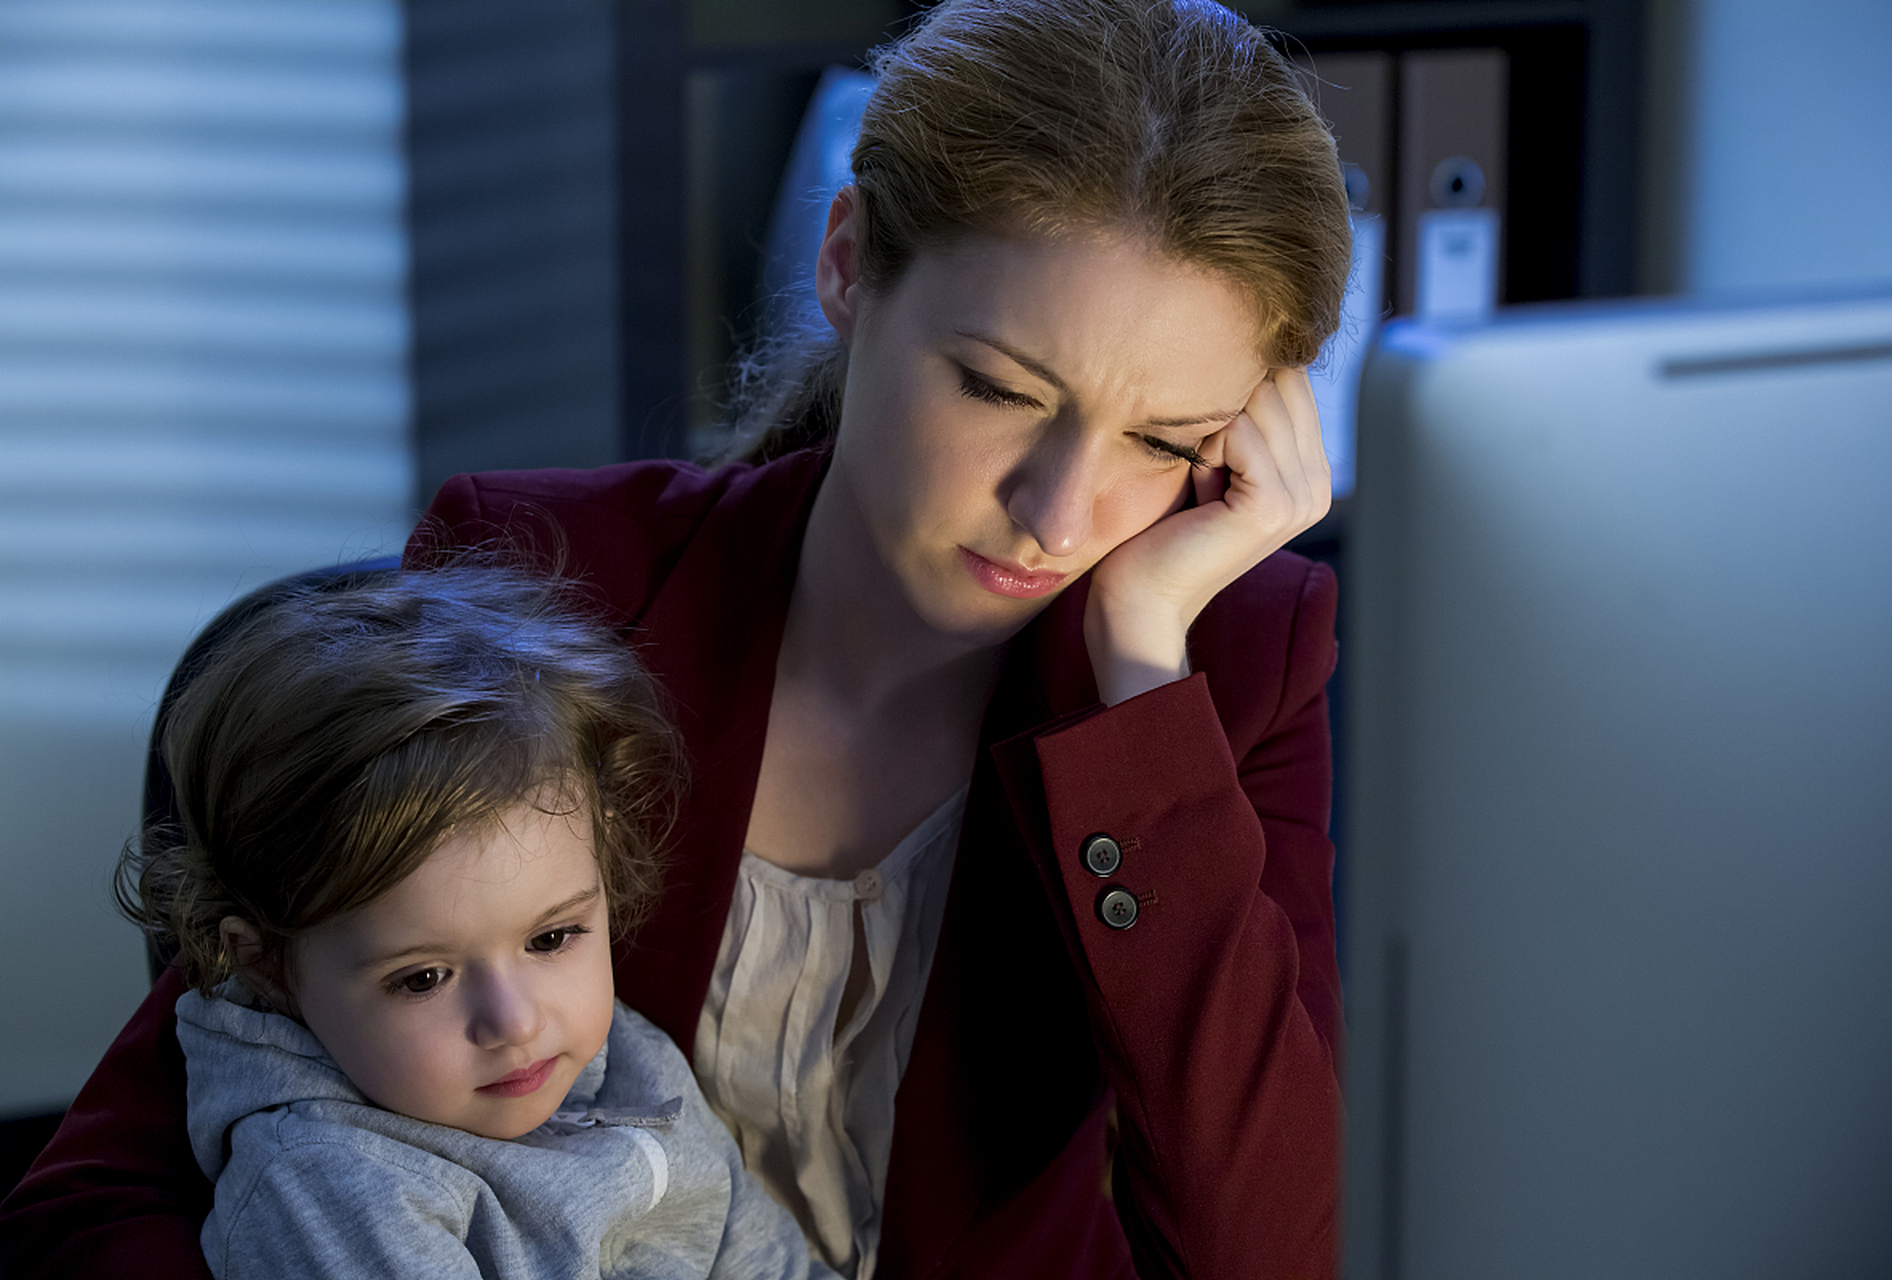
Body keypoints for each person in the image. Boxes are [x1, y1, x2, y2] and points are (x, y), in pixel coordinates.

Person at [0, 0, 1353, 1276]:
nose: (1058, 513)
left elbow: (1261, 1253)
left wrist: (1139, 680)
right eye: (999, 387)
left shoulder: (1219, 670)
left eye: (1163, 441)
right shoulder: (538, 579)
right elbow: (97, 1196)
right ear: (845, 262)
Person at [110, 565, 834, 1278]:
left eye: (550, 938)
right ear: (269, 966)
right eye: (423, 978)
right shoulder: (330, 1186)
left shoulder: (630, 1060)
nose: (514, 1022)